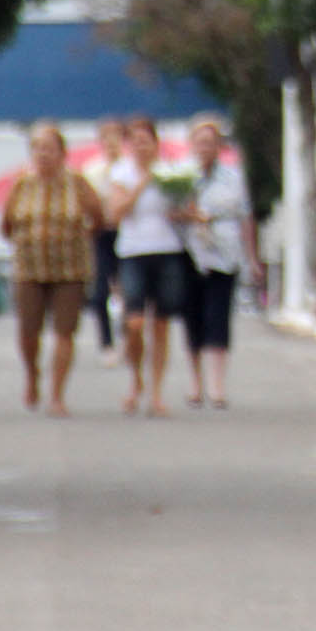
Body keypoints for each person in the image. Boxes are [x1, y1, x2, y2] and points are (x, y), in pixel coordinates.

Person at [0, 122, 105, 417]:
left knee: (64, 331)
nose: (43, 154)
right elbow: (6, 224)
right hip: (30, 268)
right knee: (28, 331)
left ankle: (57, 394)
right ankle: (32, 375)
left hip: (69, 269)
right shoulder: (22, 184)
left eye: (49, 149)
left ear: (62, 153)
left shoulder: (78, 183)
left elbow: (97, 217)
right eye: (37, 149)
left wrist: (80, 235)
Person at [170, 115, 260, 409]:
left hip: (224, 251)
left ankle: (218, 385)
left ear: (219, 145)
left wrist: (252, 256)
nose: (205, 147)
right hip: (189, 251)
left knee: (218, 316)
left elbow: (245, 216)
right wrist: (189, 215)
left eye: (211, 142)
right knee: (192, 316)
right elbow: (170, 212)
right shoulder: (180, 174)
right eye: (200, 142)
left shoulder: (233, 176)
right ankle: (196, 383)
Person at [108, 116, 185, 417]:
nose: (141, 147)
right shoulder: (121, 173)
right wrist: (143, 183)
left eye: (146, 141)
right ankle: (136, 380)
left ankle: (156, 392)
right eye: (135, 142)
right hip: (133, 251)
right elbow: (116, 213)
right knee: (135, 322)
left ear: (156, 143)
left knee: (162, 324)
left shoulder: (171, 172)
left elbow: (182, 208)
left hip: (167, 249)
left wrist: (184, 208)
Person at [83, 118, 126, 362]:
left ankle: (129, 338)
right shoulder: (92, 171)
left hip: (126, 234)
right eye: (106, 140)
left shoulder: (129, 170)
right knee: (100, 291)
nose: (111, 145)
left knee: (128, 290)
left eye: (115, 139)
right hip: (100, 234)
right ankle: (106, 343)